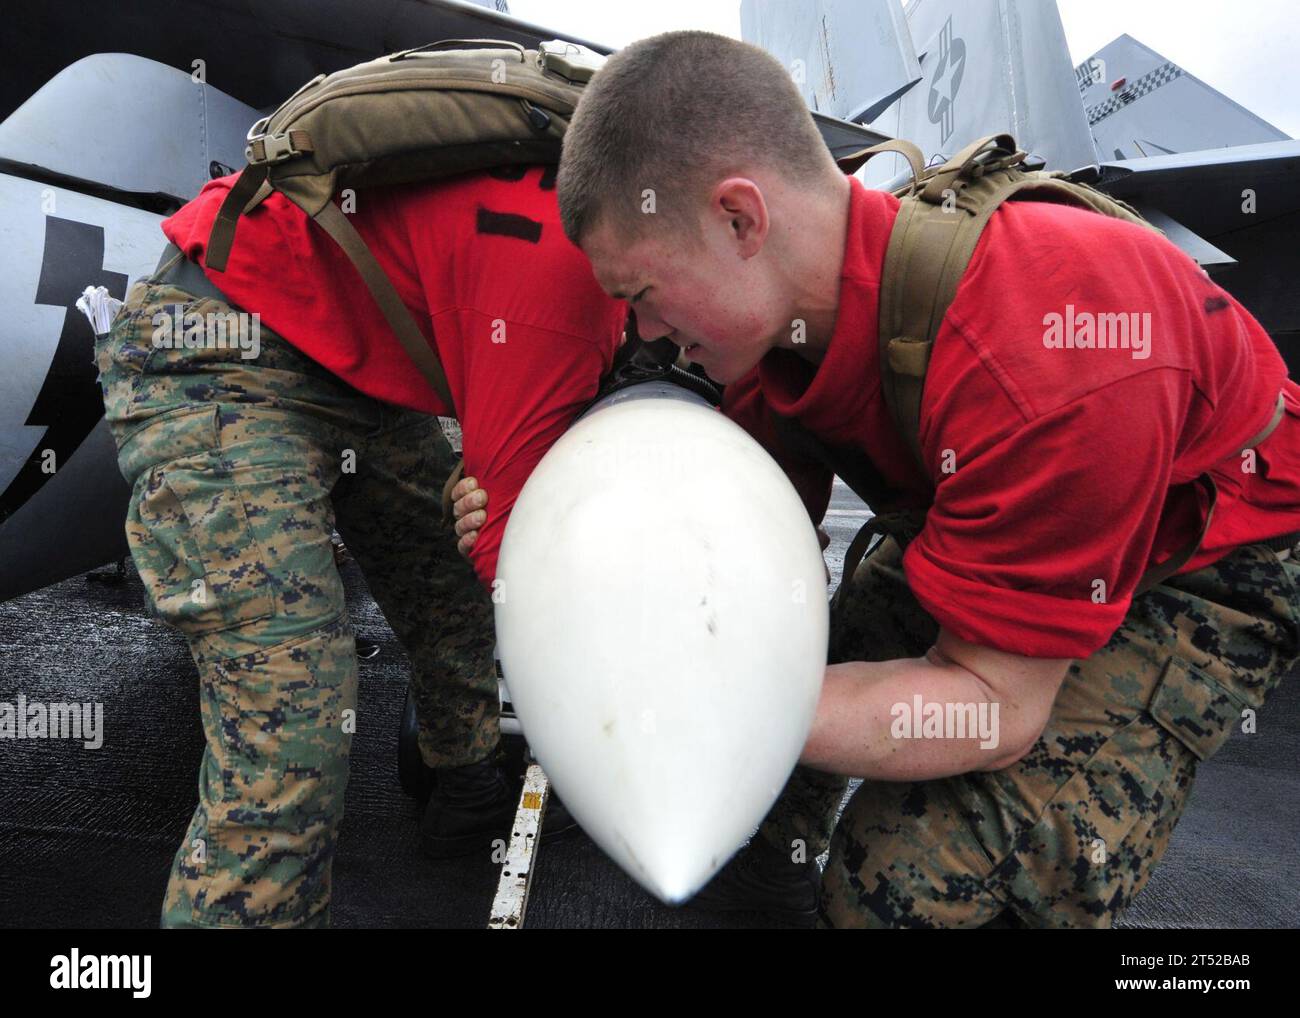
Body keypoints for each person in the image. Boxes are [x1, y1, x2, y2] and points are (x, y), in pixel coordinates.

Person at [450, 30, 1300, 928]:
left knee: (909, 885)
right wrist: (543, 539)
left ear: (741, 219)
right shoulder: (786, 326)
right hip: (985, 506)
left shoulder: (1044, 357)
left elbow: (990, 707)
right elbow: (717, 566)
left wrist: (706, 704)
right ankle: (765, 885)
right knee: (815, 663)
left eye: (645, 296)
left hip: (1211, 560)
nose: (649, 336)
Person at [95, 163, 625, 928]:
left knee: (442, 578)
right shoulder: (576, 288)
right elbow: (512, 563)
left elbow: (484, 521)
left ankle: (466, 780)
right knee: (291, 721)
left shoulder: (589, 232)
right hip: (220, 350)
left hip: (359, 366)